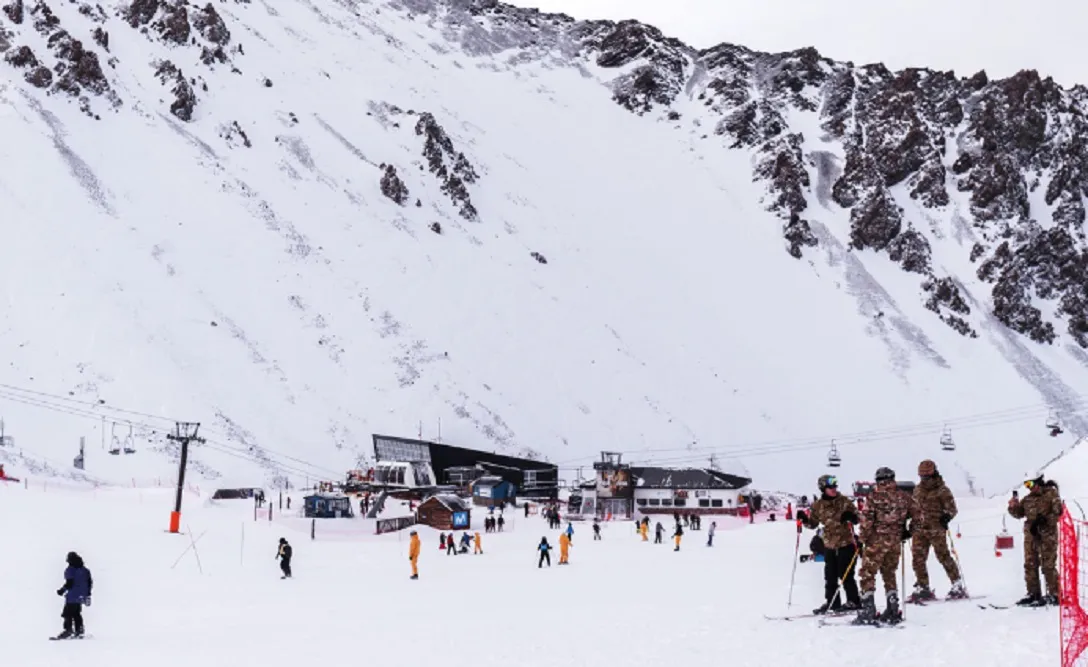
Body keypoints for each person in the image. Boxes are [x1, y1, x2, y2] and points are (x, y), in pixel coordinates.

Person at [796, 474, 861, 614]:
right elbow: (813, 524)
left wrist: (852, 517)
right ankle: (833, 602)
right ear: (823, 489)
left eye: (835, 486)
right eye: (830, 487)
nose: (834, 489)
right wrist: (804, 519)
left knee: (846, 574)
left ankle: (854, 601)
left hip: (846, 544)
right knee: (830, 576)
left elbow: (858, 517)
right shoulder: (818, 506)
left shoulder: (844, 501)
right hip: (830, 545)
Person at [854, 467, 911, 625]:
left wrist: (861, 539)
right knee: (889, 573)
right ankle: (892, 608)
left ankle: (868, 610)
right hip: (894, 542)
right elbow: (918, 516)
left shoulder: (874, 497)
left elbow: (867, 521)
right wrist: (908, 531)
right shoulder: (904, 497)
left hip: (876, 541)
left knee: (867, 573)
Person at [908, 460, 965, 602]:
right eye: (921, 475)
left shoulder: (942, 490)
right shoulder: (917, 489)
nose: (924, 478)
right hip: (920, 530)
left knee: (943, 556)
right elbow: (913, 507)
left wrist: (946, 517)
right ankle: (923, 587)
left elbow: (952, 508)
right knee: (917, 559)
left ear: (933, 473)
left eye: (926, 475)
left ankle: (957, 584)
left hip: (936, 529)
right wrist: (911, 521)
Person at [1008, 474, 1063, 606]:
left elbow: (1058, 513)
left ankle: (1054, 594)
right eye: (1026, 485)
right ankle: (1033, 593)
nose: (1029, 488)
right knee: (1030, 564)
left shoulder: (1051, 494)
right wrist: (1013, 506)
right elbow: (1019, 514)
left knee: (1048, 565)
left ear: (1038, 482)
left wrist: (1044, 520)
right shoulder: (1028, 499)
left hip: (1047, 535)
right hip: (1031, 535)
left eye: (1030, 485)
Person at [54, 552, 92, 639]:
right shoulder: (85, 570)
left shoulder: (70, 570)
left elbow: (69, 583)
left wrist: (61, 591)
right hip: (82, 596)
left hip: (72, 596)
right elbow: (90, 582)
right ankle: (79, 630)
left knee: (67, 613)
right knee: (77, 613)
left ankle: (68, 630)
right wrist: (88, 594)